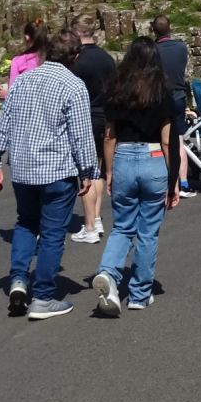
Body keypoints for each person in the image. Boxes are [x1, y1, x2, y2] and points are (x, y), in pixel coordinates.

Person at [0, 29, 98, 321]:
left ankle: (19, 280)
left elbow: (3, 124)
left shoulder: (22, 82)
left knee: (25, 224)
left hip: (22, 169)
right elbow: (81, 135)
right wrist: (88, 171)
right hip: (56, 170)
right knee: (51, 234)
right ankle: (44, 297)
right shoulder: (73, 85)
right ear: (74, 56)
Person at [92, 37, 182, 317]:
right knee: (147, 231)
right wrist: (173, 182)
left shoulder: (115, 91)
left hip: (123, 158)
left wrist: (109, 172)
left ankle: (108, 273)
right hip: (154, 157)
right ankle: (140, 294)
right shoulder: (162, 93)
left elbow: (109, 137)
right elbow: (169, 141)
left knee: (122, 226)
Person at [71, 15, 116, 244]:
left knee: (84, 171)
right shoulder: (107, 58)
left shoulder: (78, 62)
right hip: (105, 115)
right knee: (96, 167)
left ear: (78, 33)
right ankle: (97, 218)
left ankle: (90, 223)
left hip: (85, 116)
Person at [152, 15, 196, 197]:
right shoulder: (181, 47)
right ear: (170, 28)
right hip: (178, 94)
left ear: (153, 30)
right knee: (178, 140)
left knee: (158, 140)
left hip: (159, 96)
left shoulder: (153, 50)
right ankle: (183, 181)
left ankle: (164, 180)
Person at [0, 20, 48, 99]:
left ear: (27, 37)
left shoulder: (18, 61)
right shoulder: (52, 57)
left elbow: (13, 90)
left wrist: (6, 95)